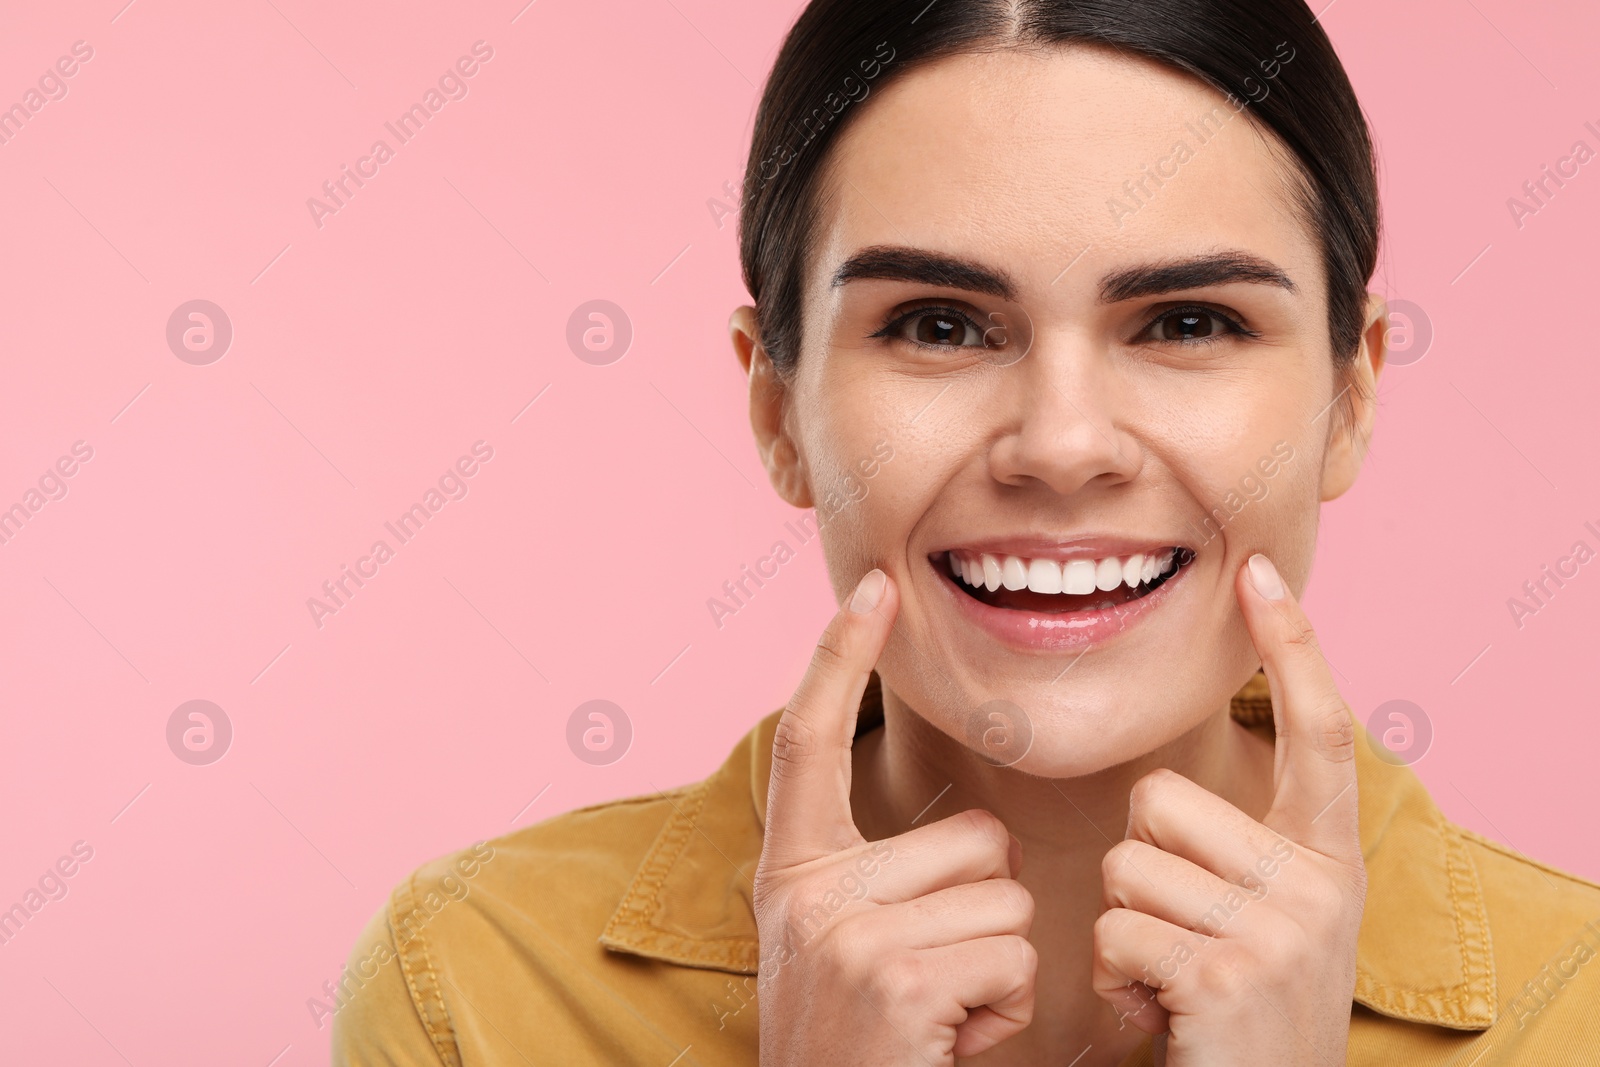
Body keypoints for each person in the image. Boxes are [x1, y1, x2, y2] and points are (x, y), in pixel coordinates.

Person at [332, 0, 1600, 1062]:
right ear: (777, 406)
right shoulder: (483, 987)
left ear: (1349, 396)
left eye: (1187, 322)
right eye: (937, 324)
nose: (1059, 445)